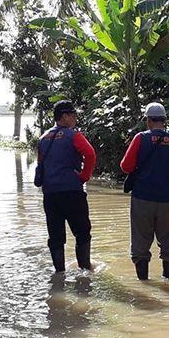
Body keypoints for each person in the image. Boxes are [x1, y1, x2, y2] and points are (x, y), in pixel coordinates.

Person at [120, 102, 169, 280]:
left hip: (142, 199)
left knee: (140, 242)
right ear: (165, 120)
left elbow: (125, 166)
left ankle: (143, 283)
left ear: (148, 120)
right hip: (168, 200)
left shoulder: (140, 138)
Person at [36, 100, 97, 273]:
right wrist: (84, 177)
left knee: (55, 237)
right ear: (64, 116)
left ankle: (59, 273)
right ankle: (85, 269)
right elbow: (90, 154)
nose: (75, 118)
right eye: (73, 115)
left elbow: (41, 164)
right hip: (72, 193)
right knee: (82, 232)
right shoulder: (74, 135)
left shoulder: (43, 138)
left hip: (50, 195)